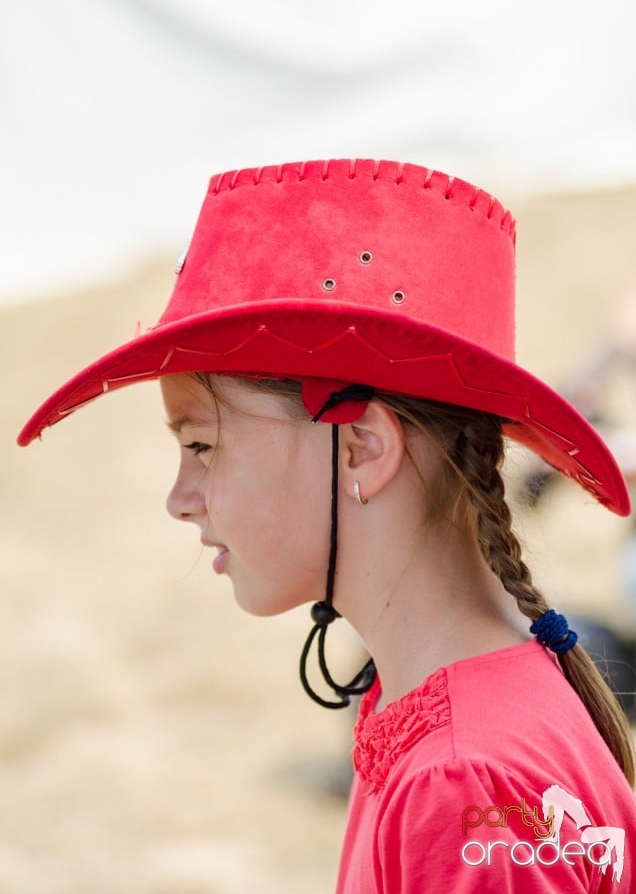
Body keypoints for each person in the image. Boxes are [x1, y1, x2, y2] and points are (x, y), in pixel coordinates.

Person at [19, 159, 636, 891]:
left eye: (202, 446)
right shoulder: (434, 712)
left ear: (364, 447)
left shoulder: (465, 778)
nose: (179, 498)